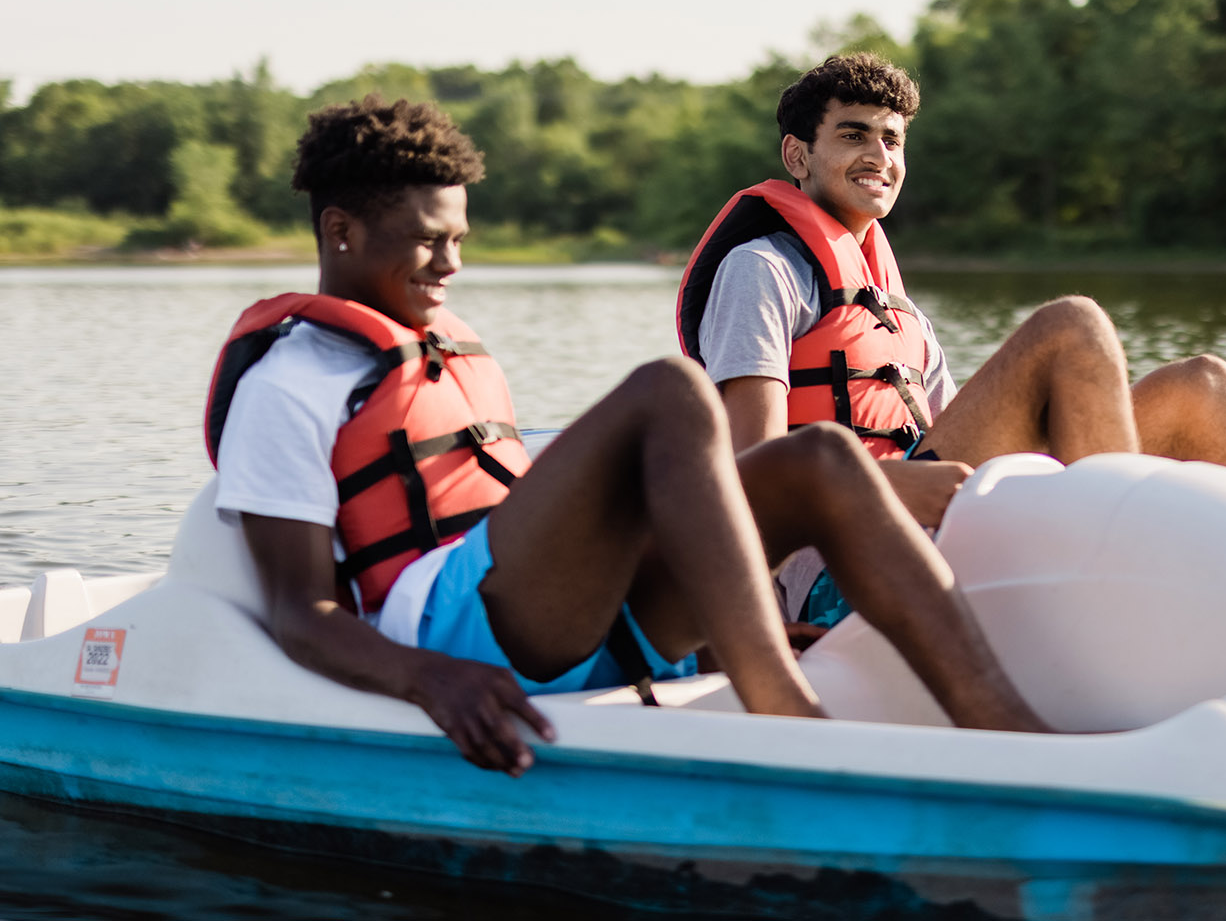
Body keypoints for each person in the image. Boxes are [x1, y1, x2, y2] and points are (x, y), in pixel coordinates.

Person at [210, 96, 1048, 777]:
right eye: (428, 240)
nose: (450, 264)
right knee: (669, 391)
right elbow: (300, 610)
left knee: (819, 458)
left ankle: (1019, 742)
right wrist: (432, 677)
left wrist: (732, 624)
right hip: (446, 632)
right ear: (340, 231)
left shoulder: (446, 350)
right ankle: (792, 721)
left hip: (559, 613)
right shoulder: (291, 383)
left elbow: (529, 522)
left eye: (459, 238)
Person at [677, 53, 1226, 622]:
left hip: (941, 525)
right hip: (837, 568)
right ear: (797, 156)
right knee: (1072, 326)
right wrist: (887, 486)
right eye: (852, 134)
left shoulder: (895, 307)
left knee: (1203, 386)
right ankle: (1117, 596)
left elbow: (949, 443)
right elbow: (747, 473)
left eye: (892, 139)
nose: (878, 156)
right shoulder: (761, 270)